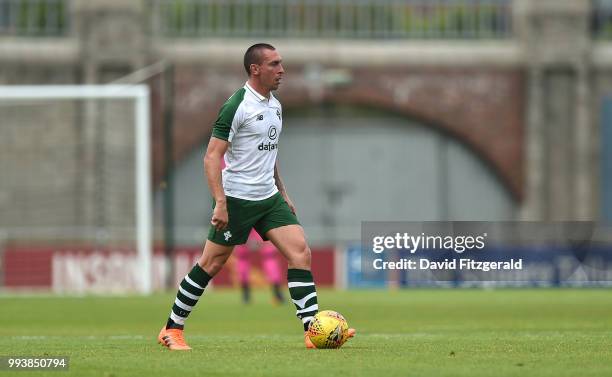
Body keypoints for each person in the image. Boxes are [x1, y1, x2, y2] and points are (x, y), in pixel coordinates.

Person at [157, 43, 355, 350]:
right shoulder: (237, 105)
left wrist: (283, 192)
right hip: (236, 199)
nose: (282, 70)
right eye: (275, 64)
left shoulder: (274, 105)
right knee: (210, 264)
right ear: (256, 69)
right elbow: (211, 157)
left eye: (281, 63)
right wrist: (220, 202)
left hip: (269, 197)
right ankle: (172, 329)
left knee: (300, 252)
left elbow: (269, 153)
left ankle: (313, 330)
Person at [235, 229, 285, 305]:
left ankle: (246, 296)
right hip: (255, 227)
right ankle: (277, 294)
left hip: (249, 227)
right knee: (268, 257)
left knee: (268, 256)